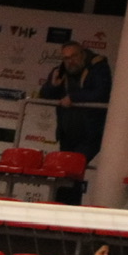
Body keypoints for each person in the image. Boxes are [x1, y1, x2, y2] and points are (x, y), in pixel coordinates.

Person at [38, 40, 111, 205]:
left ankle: (66, 211)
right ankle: (60, 210)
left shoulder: (98, 67)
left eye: (74, 56)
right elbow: (44, 95)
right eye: (66, 58)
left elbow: (101, 93)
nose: (70, 61)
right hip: (67, 133)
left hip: (90, 134)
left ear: (83, 54)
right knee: (65, 173)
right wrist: (53, 86)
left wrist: (74, 98)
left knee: (72, 170)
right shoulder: (60, 71)